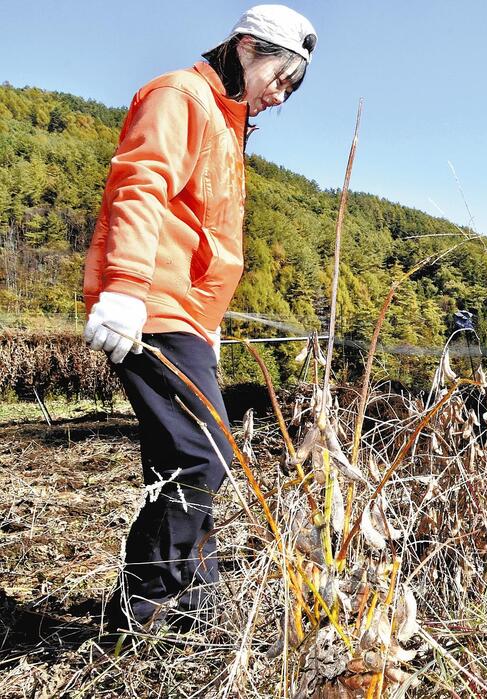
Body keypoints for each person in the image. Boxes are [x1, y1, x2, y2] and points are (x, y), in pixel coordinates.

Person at [82, 4, 317, 633]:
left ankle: (196, 600)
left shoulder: (224, 120)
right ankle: (144, 611)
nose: (282, 95)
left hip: (185, 311)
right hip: (150, 303)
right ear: (246, 48)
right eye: (281, 77)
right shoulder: (180, 96)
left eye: (294, 88)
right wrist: (126, 288)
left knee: (189, 455)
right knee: (200, 455)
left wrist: (208, 318)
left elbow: (204, 233)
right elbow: (140, 184)